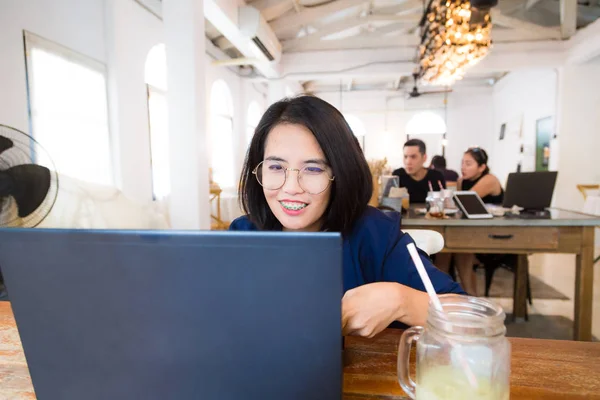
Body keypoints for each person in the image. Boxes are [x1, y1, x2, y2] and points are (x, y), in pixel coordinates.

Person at [229, 96, 465, 338]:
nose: (291, 187)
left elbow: (467, 315)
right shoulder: (242, 234)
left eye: (313, 169)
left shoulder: (376, 235)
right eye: (276, 167)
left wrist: (401, 301)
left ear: (340, 173)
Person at [435, 147, 504, 295]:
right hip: (472, 231)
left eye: (468, 163)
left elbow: (466, 200)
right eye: (462, 163)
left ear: (482, 167)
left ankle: (463, 295)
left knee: (458, 247)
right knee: (446, 247)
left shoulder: (489, 180)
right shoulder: (462, 181)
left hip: (494, 233)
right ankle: (444, 295)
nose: (463, 167)